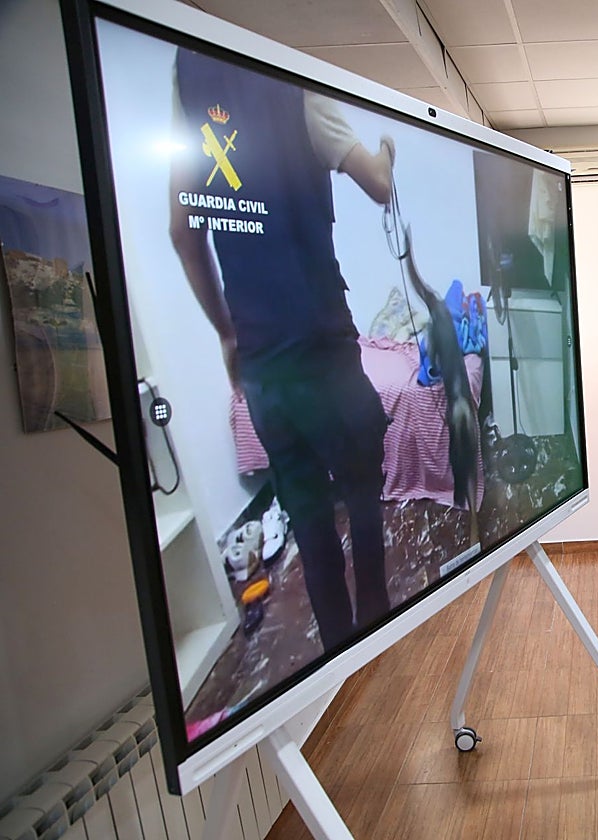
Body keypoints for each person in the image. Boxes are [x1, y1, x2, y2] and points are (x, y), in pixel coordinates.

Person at [169, 49, 398, 651]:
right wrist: (389, 154)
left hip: (264, 366)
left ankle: (339, 660)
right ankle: (377, 631)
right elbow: (376, 183)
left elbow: (180, 229)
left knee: (309, 520)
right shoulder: (297, 82)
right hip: (324, 351)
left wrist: (226, 334)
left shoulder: (187, 81)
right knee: (363, 495)